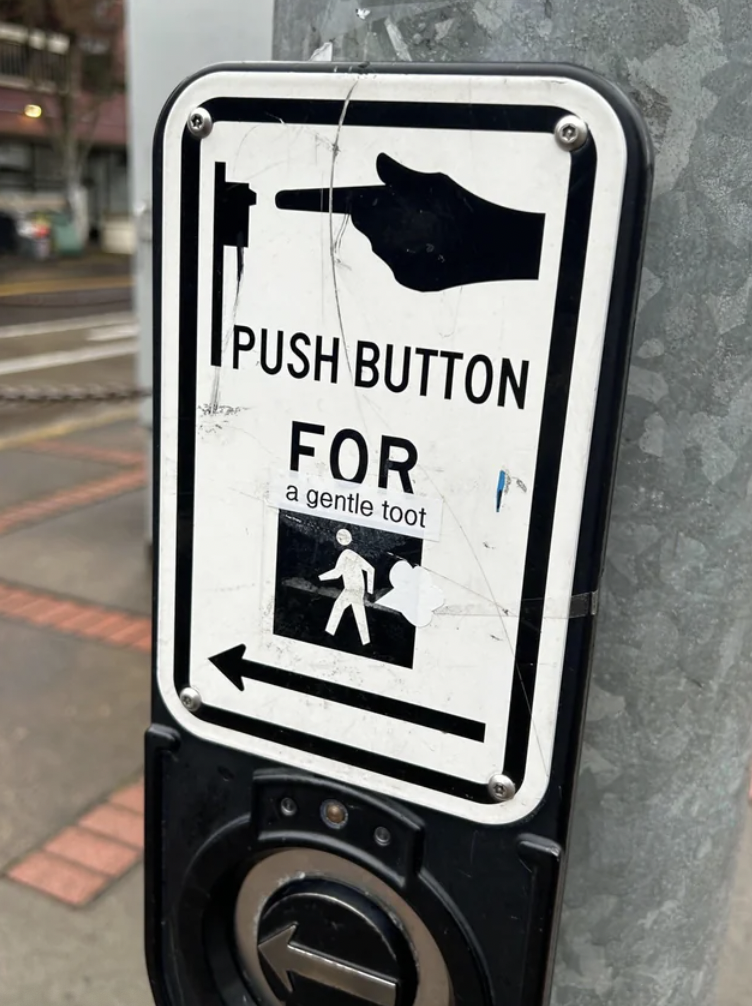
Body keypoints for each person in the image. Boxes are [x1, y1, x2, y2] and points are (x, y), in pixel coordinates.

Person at [319, 529, 375, 646]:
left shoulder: (346, 555)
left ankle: (327, 636)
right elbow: (370, 569)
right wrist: (369, 591)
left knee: (339, 608)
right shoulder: (352, 555)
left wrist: (319, 578)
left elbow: (336, 574)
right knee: (357, 613)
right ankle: (366, 642)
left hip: (352, 589)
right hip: (356, 589)